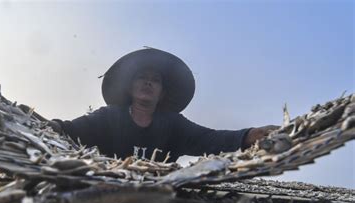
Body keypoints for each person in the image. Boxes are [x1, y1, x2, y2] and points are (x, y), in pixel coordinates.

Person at [49, 48, 277, 162]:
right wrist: (51, 126)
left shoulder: (173, 124)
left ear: (162, 93)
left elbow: (209, 139)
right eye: (142, 77)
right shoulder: (110, 116)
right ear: (130, 88)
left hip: (157, 192)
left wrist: (248, 135)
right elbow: (71, 130)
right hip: (107, 187)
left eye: (155, 80)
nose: (148, 82)